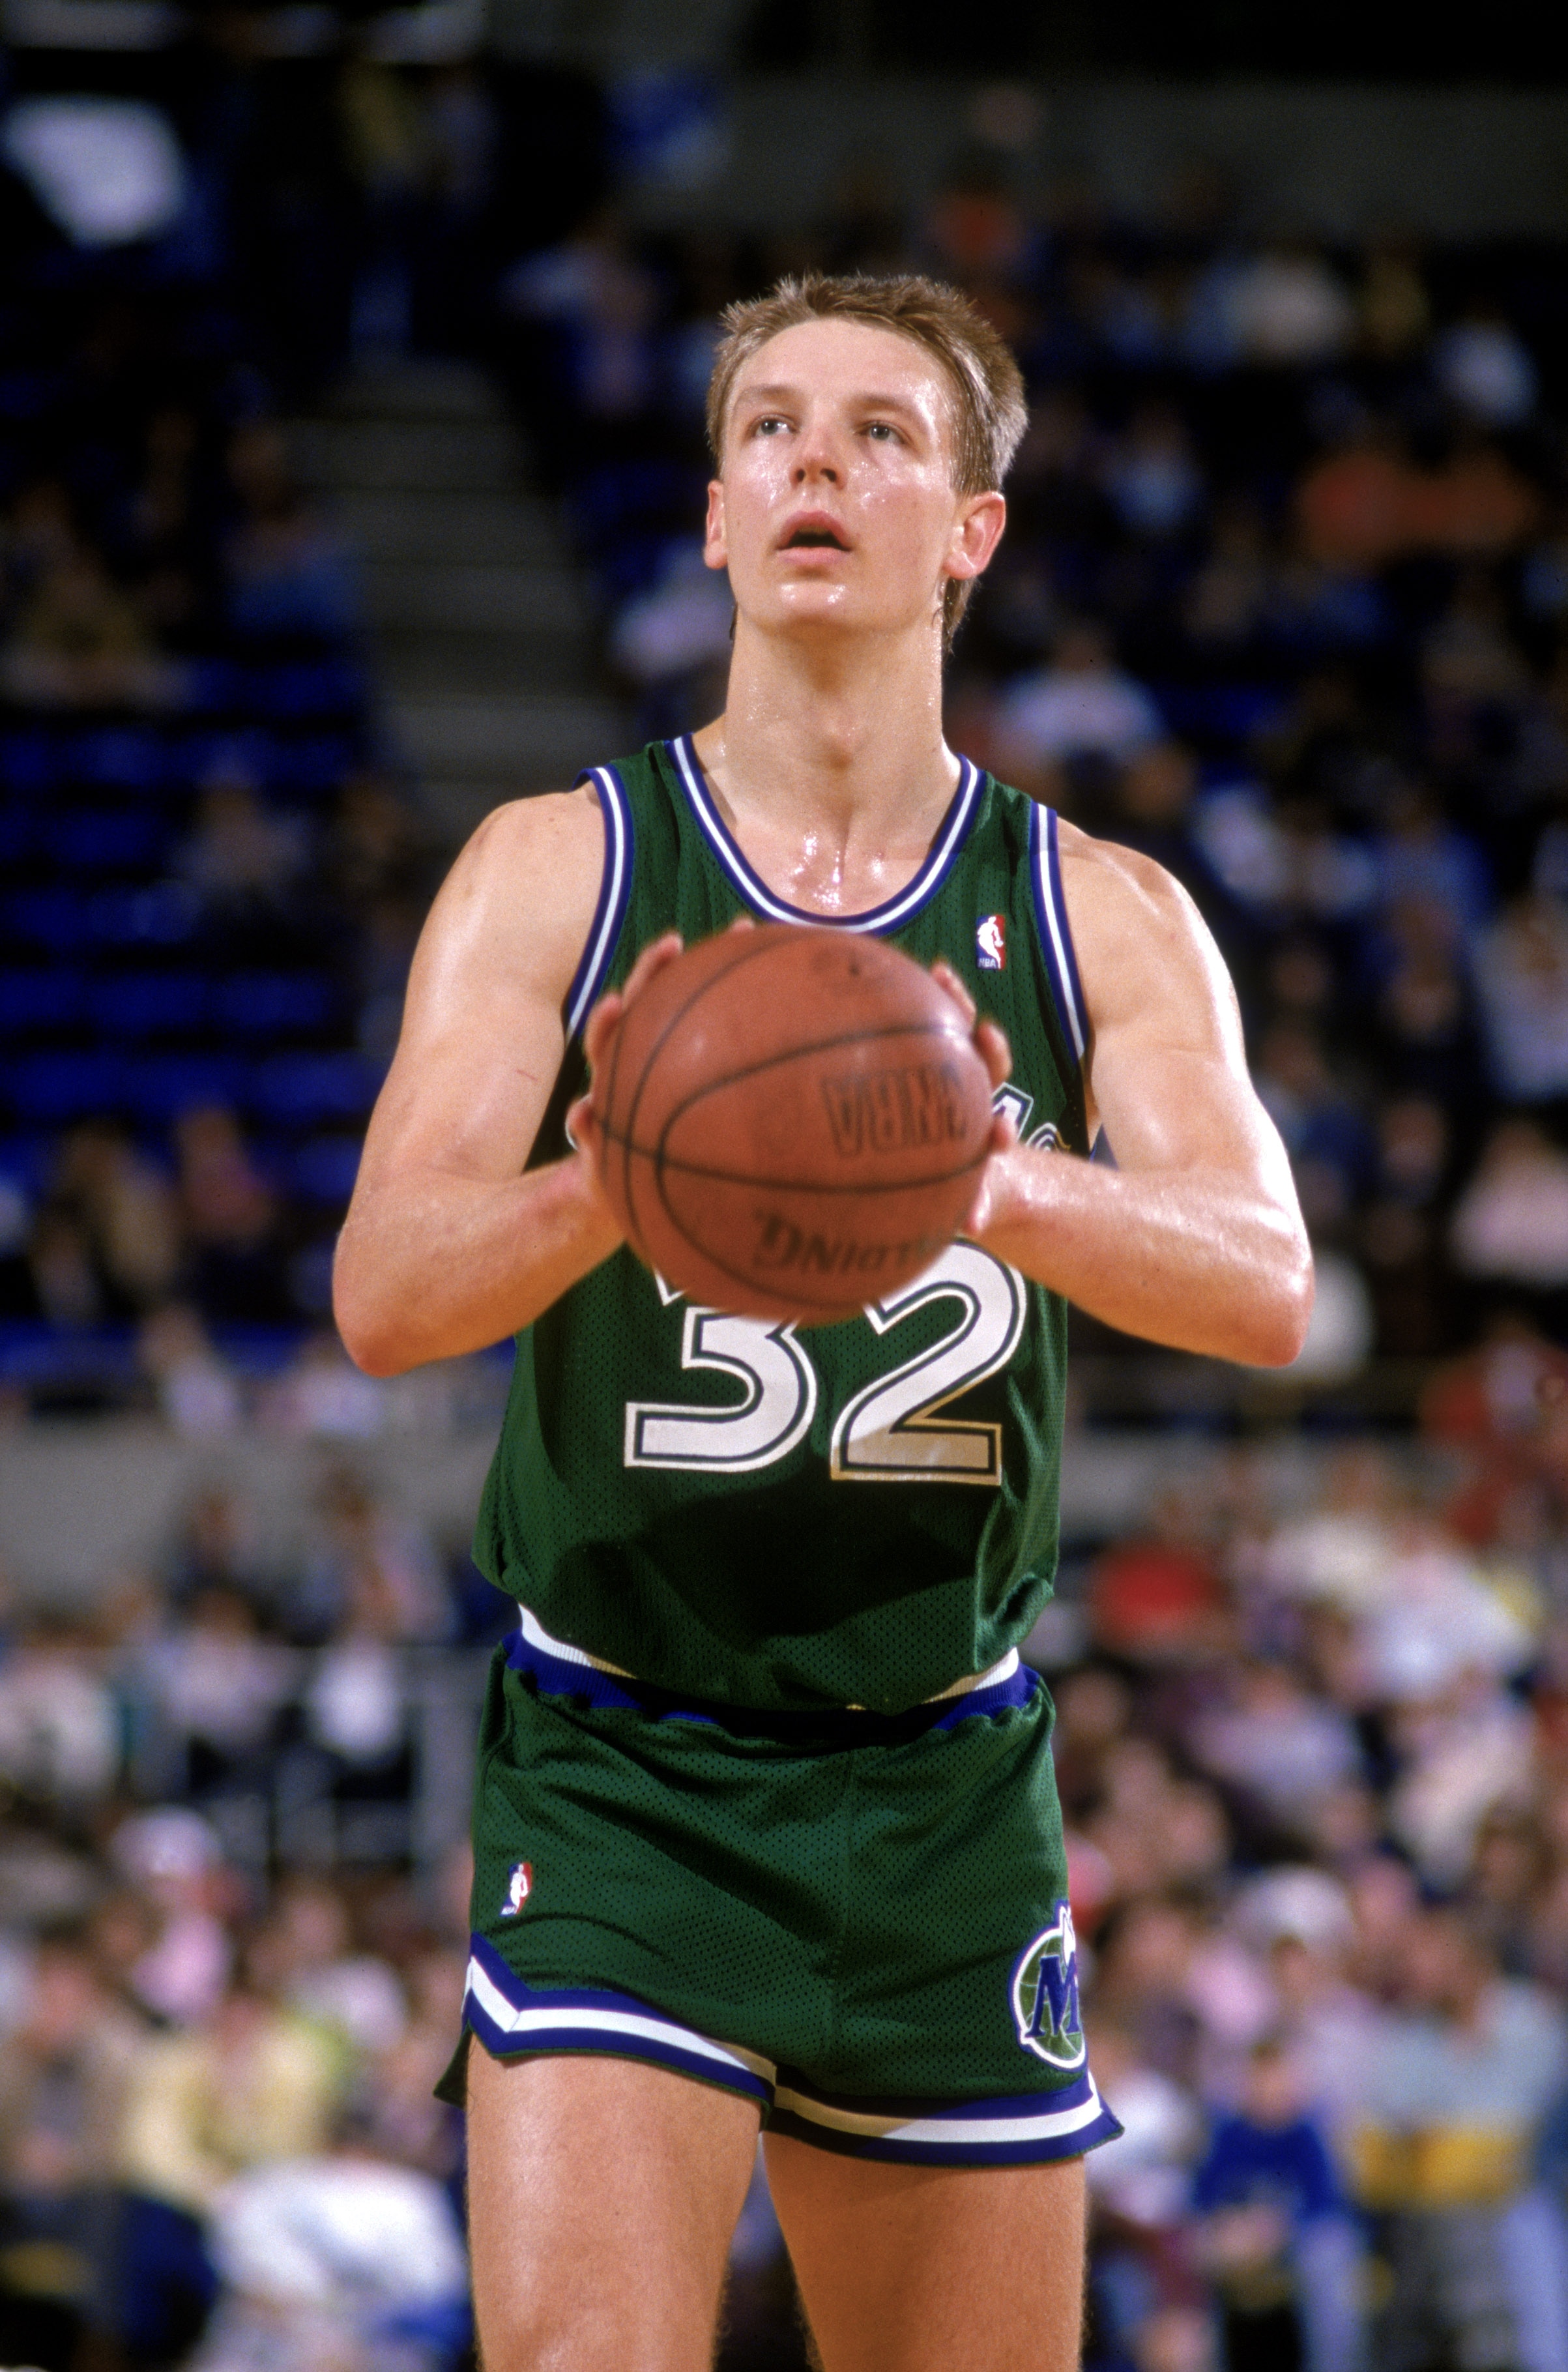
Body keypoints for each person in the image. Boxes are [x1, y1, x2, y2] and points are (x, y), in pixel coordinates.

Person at [334, 271, 1312, 2372]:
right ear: (711, 517)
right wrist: (618, 1177)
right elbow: (387, 1297)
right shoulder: (560, 869)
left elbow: (1268, 1285)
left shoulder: (1098, 909)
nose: (816, 461)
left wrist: (976, 1166)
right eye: (772, 425)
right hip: (623, 1766)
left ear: (970, 529)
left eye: (882, 433)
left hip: (947, 1774)